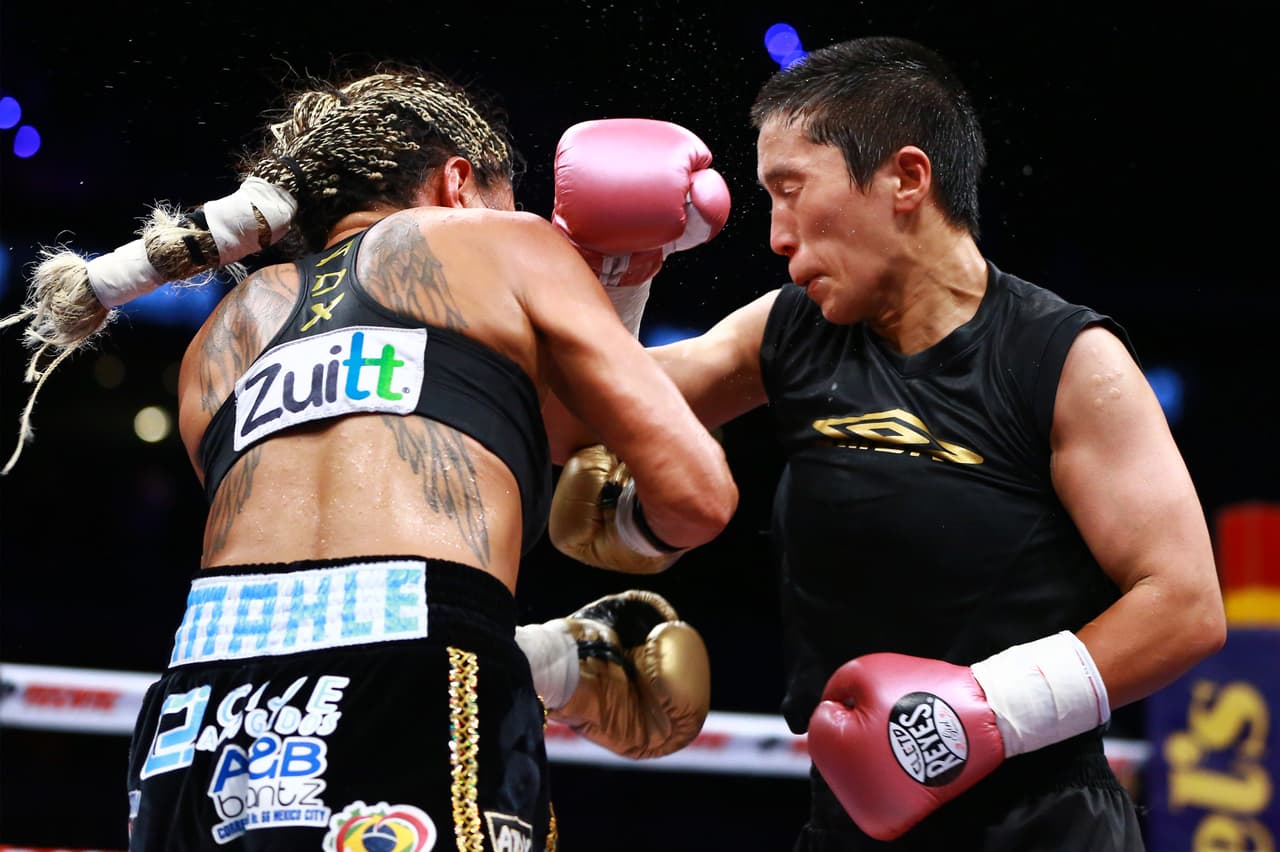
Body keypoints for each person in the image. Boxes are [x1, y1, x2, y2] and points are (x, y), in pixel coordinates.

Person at [0, 64, 737, 851]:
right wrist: (631, 524)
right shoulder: (502, 245)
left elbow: (332, 555)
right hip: (416, 667)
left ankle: (546, 656)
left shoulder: (223, 335)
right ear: (459, 182)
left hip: (200, 697)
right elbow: (697, 492)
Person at [544, 37, 1227, 851]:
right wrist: (615, 273)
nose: (776, 235)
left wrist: (974, 716)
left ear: (906, 178)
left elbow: (1185, 605)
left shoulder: (1062, 360)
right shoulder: (788, 330)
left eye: (791, 191)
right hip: (848, 816)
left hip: (1041, 822)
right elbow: (579, 424)